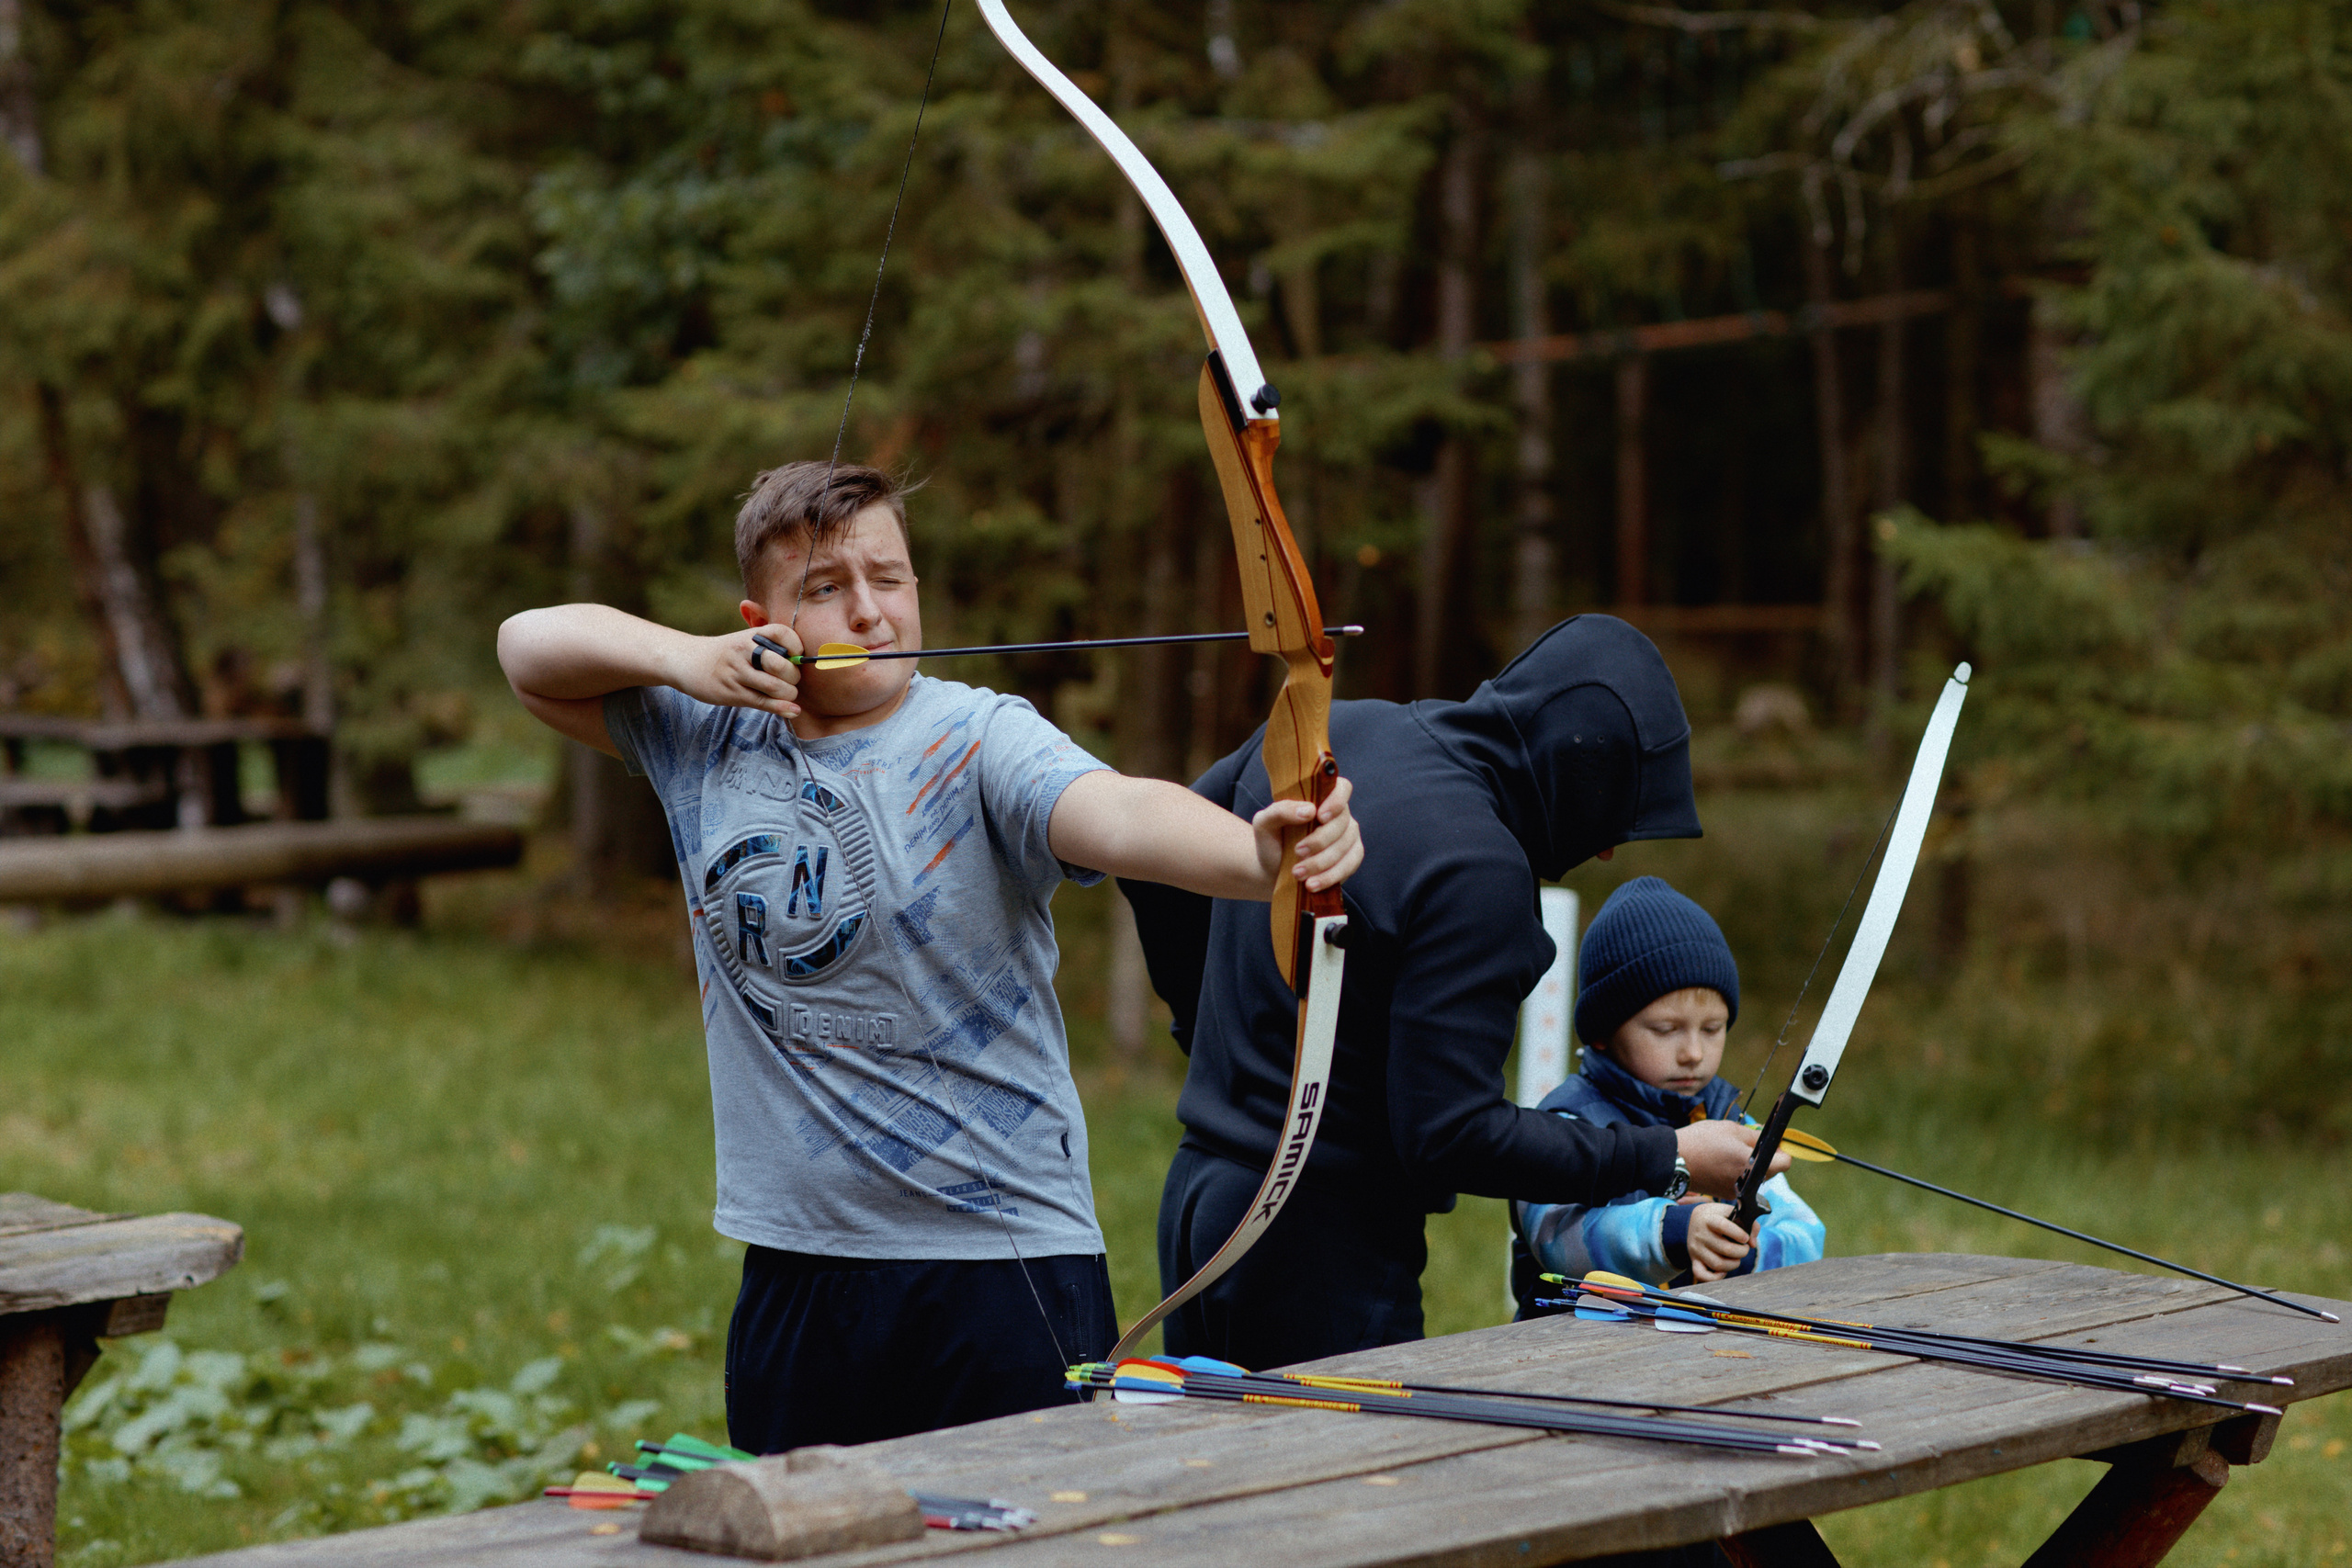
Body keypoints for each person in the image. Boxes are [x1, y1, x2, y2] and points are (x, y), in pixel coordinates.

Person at [495, 460, 1362, 1451]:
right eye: (826, 587)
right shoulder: (702, 735)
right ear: (761, 622)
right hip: (797, 1264)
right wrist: (686, 660)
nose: (870, 612)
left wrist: (1257, 857)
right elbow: (527, 649)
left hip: (999, 1269)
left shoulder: (979, 736)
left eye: (889, 578)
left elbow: (1116, 811)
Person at [1121, 615, 1786, 1371]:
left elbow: (1157, 866)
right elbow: (1452, 1133)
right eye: (1611, 821)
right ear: (1578, 774)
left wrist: (1220, 1050)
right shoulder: (1480, 869)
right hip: (1322, 1251)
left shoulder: (1343, 732)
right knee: (1331, 1457)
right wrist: (1667, 1152)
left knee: (1216, 1449)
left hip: (1202, 1206)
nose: (1604, 850)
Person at [1510, 876, 1824, 1314]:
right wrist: (1673, 1232)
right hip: (1571, 1345)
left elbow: (1806, 1235)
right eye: (1665, 1029)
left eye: (1712, 1029)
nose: (1693, 1052)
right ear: (1602, 1033)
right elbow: (1558, 1242)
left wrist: (1744, 1252)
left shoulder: (1728, 1123)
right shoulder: (1565, 1124)